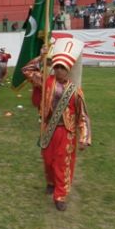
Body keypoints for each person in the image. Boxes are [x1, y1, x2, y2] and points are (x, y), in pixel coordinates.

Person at [22, 38, 91, 211]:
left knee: (62, 163)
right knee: (48, 160)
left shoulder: (76, 91)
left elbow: (83, 115)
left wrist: (84, 137)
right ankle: (51, 182)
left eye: (63, 67)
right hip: (48, 128)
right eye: (57, 66)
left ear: (69, 70)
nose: (59, 70)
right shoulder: (46, 81)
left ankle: (60, 195)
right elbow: (26, 70)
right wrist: (42, 57)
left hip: (66, 132)